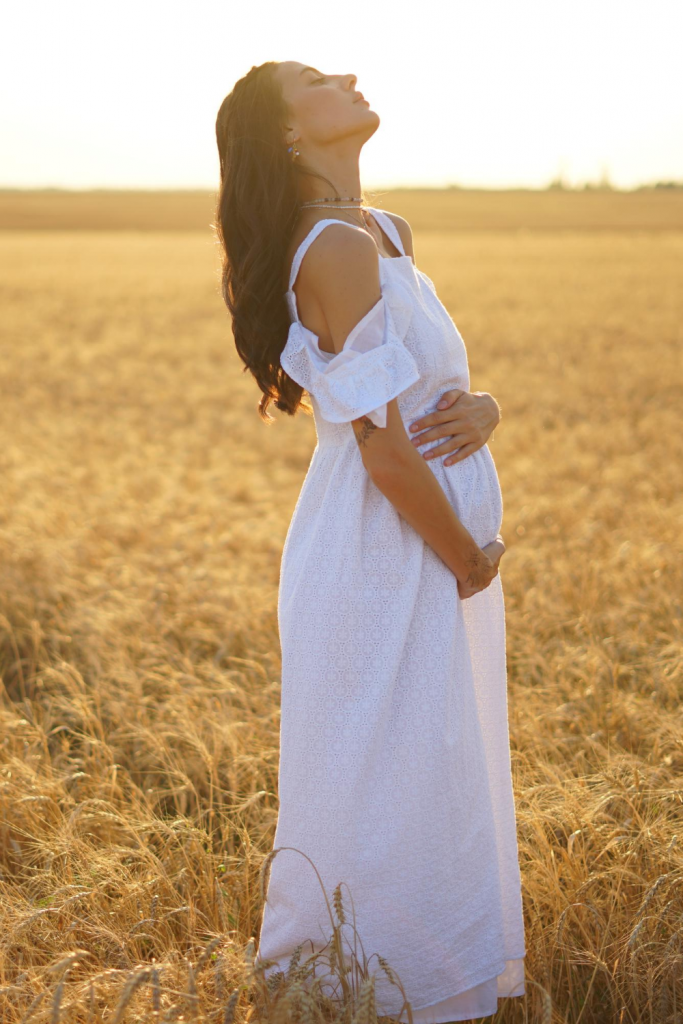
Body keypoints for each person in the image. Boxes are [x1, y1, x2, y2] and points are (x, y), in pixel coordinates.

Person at [214, 60, 526, 1023]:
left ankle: (426, 984)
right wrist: (466, 556)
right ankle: (355, 990)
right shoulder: (334, 248)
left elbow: (428, 397)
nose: (346, 76)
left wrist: (485, 407)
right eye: (316, 79)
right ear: (287, 137)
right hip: (386, 551)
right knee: (379, 771)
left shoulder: (384, 232)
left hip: (417, 545)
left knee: (431, 764)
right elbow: (385, 455)